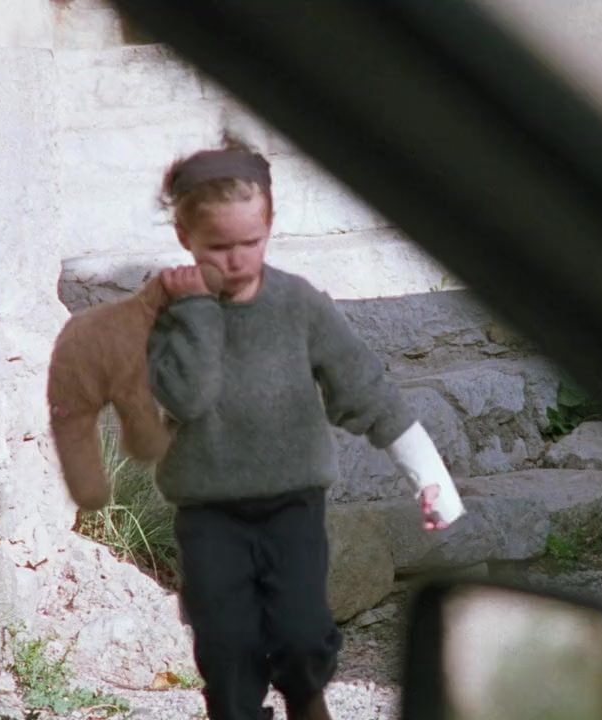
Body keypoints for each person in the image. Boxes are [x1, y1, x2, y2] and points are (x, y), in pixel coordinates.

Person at [147, 133, 464, 720]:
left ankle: (307, 700)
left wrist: (428, 473)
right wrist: (195, 312)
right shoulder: (172, 314)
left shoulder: (300, 305)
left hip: (292, 505)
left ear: (270, 227)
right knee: (225, 642)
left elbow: (365, 388)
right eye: (218, 246)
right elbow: (187, 397)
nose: (236, 260)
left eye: (251, 242)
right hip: (209, 511)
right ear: (185, 236)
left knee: (301, 631)